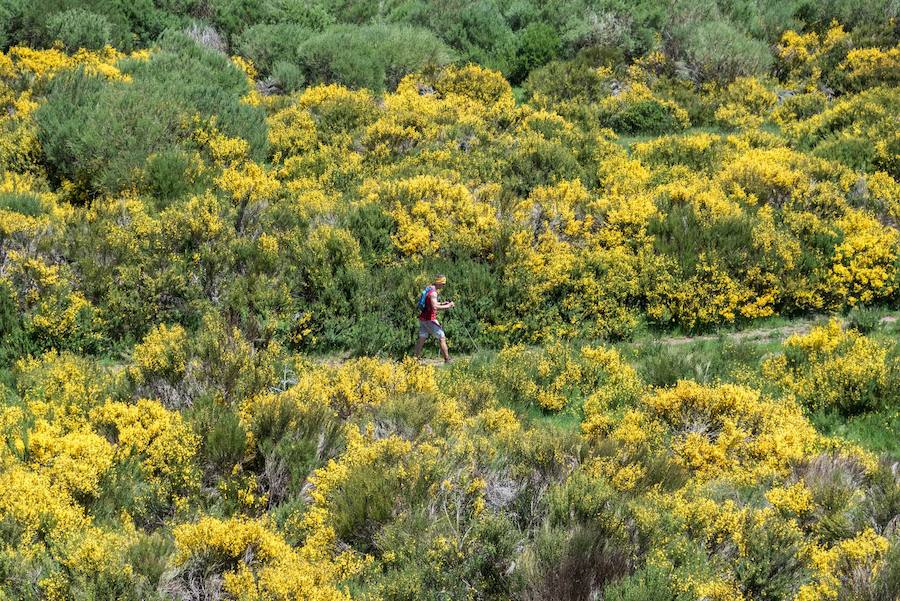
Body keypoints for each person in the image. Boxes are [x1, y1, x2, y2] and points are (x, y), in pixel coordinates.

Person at [413, 275, 455, 363]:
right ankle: (447, 359)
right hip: (429, 320)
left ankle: (414, 359)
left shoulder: (429, 289)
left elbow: (431, 303)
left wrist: (443, 303)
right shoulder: (433, 293)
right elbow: (435, 307)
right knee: (442, 337)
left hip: (423, 319)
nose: (443, 286)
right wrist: (448, 306)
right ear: (439, 283)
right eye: (443, 284)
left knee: (422, 338)